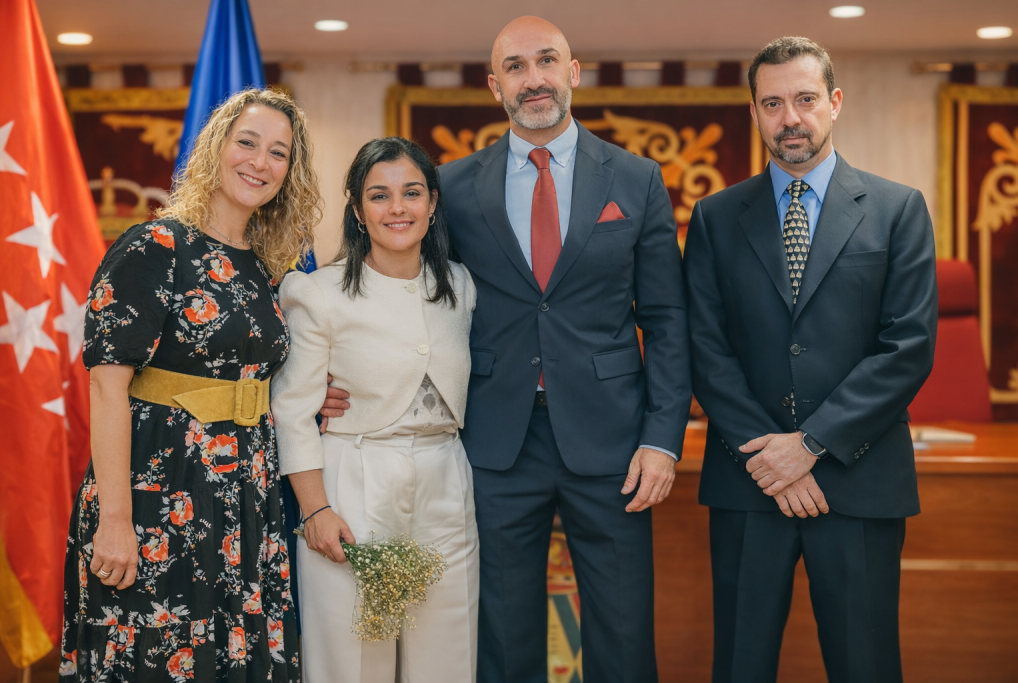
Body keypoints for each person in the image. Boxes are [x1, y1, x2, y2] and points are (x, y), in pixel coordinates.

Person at [325, 15, 688, 682]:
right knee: (498, 630)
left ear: (574, 71)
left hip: (612, 444)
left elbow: (667, 320)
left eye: (547, 61)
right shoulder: (455, 186)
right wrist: (334, 369)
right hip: (493, 442)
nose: (534, 78)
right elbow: (401, 289)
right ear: (496, 87)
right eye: (515, 68)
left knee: (624, 628)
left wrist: (662, 439)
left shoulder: (636, 179)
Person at [684, 36, 938, 683]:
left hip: (859, 481)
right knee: (740, 664)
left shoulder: (897, 209)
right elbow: (705, 348)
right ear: (754, 111)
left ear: (834, 102)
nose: (789, 117)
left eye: (803, 99)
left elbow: (907, 347)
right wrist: (772, 457)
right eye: (772, 103)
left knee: (866, 664)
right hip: (749, 482)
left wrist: (813, 444)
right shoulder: (715, 217)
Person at [61, 88, 322, 681]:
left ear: (290, 172)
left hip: (245, 500)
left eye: (278, 153)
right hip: (160, 496)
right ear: (216, 148)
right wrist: (116, 521)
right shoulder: (152, 248)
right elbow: (107, 390)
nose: (260, 162)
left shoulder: (264, 266)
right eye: (247, 142)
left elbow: (257, 377)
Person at [271, 137, 479, 682]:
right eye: (379, 196)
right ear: (358, 210)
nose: (398, 209)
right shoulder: (320, 293)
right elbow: (292, 410)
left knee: (447, 648)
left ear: (433, 203)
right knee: (354, 653)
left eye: (412, 193)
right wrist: (314, 509)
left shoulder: (459, 283)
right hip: (354, 478)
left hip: (445, 476)